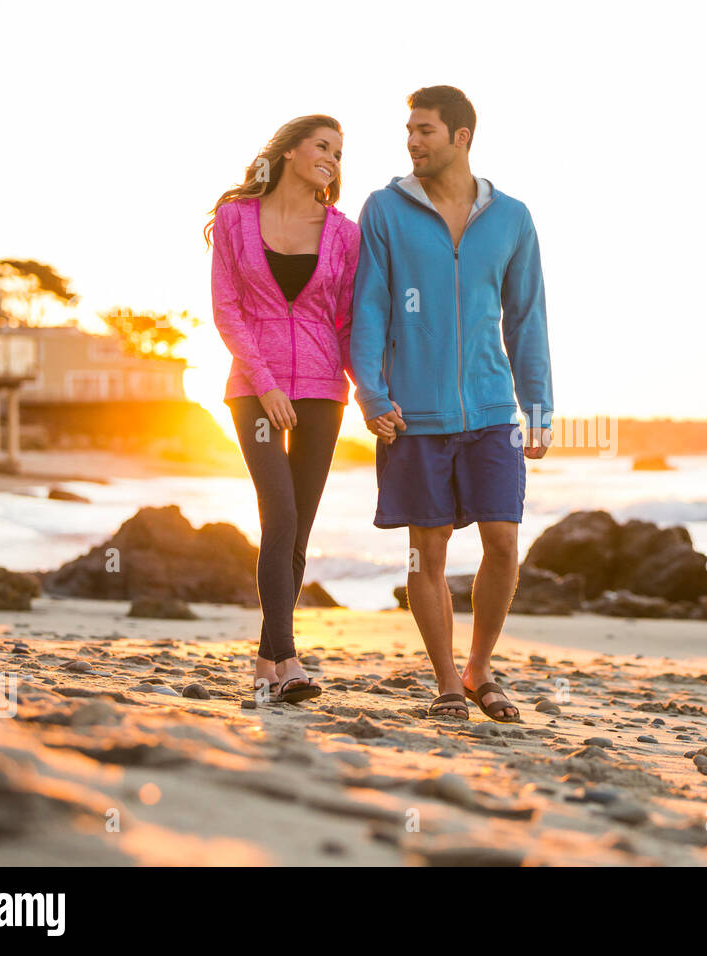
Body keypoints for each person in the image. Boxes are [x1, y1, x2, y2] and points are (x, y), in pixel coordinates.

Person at [349, 85, 553, 722]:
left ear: (461, 136)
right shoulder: (384, 209)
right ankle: (445, 683)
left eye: (425, 130)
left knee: (503, 539)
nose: (412, 141)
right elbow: (370, 306)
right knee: (426, 550)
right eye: (409, 130)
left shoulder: (512, 218)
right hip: (415, 413)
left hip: (492, 408)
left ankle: (479, 667)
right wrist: (371, 392)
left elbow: (526, 319)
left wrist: (538, 405)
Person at [206, 114, 361, 704]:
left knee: (298, 529)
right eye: (322, 146)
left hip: (324, 389)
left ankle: (266, 664)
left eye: (339, 153)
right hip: (254, 390)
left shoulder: (344, 234)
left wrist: (369, 394)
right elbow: (227, 309)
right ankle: (290, 658)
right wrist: (265, 382)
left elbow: (345, 322)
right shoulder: (235, 219)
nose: (332, 159)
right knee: (280, 514)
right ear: (291, 152)